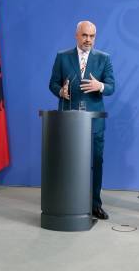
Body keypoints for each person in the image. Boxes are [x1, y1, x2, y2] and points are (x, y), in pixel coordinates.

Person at [49, 20, 115, 220]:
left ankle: (95, 204)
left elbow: (112, 87)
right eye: (85, 35)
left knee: (96, 161)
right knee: (68, 161)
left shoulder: (104, 59)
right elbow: (52, 83)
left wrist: (100, 86)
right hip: (69, 122)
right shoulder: (63, 57)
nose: (88, 40)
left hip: (94, 122)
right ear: (77, 35)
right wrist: (61, 91)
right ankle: (68, 201)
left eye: (92, 36)